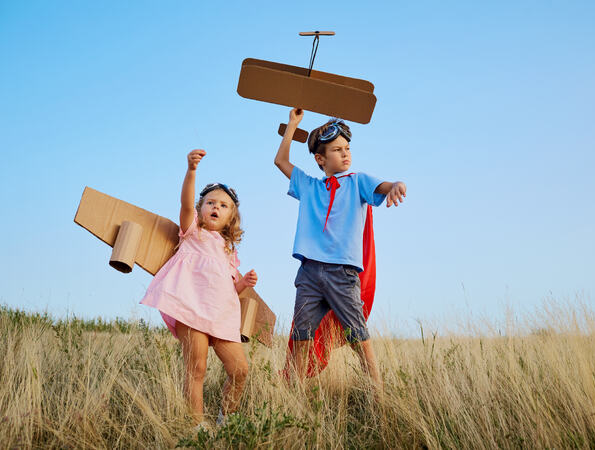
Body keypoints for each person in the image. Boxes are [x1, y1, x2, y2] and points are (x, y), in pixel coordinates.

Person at [274, 108, 407, 393]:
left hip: (342, 273)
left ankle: (378, 395)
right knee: (301, 337)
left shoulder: (357, 181)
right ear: (321, 159)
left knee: (358, 335)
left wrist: (396, 185)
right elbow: (280, 160)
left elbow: (384, 185)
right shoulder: (309, 186)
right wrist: (293, 125)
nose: (345, 153)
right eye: (337, 150)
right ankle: (293, 398)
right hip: (309, 273)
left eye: (347, 148)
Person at [140, 149, 257, 429]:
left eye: (224, 205)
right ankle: (196, 428)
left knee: (240, 370)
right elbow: (184, 204)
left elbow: (229, 290)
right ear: (200, 209)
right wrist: (191, 171)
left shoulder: (229, 251)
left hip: (220, 316)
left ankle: (226, 420)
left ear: (231, 218)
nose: (216, 207)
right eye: (210, 203)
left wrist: (243, 283)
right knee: (197, 369)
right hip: (191, 310)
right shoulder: (193, 232)